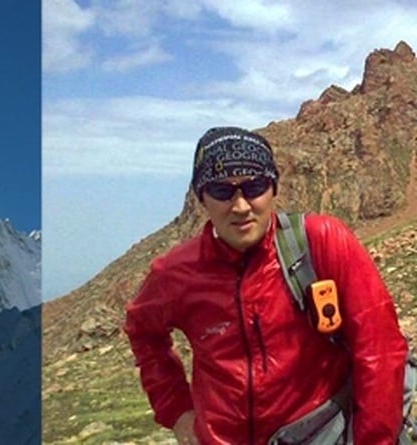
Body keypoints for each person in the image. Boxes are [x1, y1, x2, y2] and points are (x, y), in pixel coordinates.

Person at [123, 126, 408, 444]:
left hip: (322, 431)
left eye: (254, 187)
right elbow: (144, 332)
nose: (241, 206)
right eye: (222, 191)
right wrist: (177, 411)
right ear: (201, 197)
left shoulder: (322, 241)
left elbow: (379, 349)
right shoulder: (175, 274)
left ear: (273, 188)